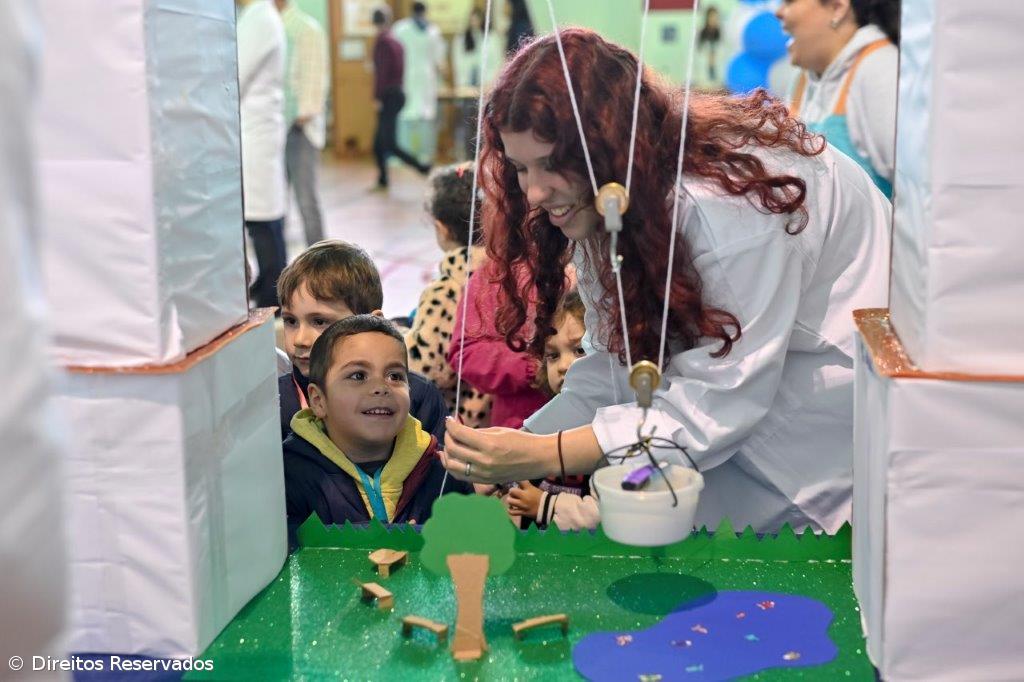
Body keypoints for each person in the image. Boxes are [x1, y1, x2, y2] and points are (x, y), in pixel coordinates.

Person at [440, 29, 892, 534]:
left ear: (612, 146)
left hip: (815, 432)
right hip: (743, 418)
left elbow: (716, 406)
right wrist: (514, 446)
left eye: (551, 165)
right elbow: (616, 361)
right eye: (520, 168)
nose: (536, 191)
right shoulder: (611, 203)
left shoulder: (725, 210)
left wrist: (542, 454)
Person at [283, 315, 472, 530]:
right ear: (318, 400)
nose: (381, 387)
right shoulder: (287, 478)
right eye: (358, 376)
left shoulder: (443, 470)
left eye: (395, 376)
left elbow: (474, 550)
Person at [277, 240, 448, 445]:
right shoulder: (275, 403)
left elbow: (442, 471)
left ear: (372, 323)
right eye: (291, 321)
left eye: (320, 322)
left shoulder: (417, 396)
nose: (300, 340)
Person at [777, 0, 900, 197]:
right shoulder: (803, 78)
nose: (779, 12)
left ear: (837, 7)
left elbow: (915, 195)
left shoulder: (880, 69)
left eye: (790, 2)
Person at [404, 163, 491, 427]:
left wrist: (401, 341)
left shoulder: (448, 290)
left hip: (459, 427)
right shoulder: (508, 274)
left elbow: (424, 368)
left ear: (441, 228)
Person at [506, 290, 598, 531]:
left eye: (579, 350)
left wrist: (545, 505)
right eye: (553, 356)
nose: (563, 366)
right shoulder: (543, 422)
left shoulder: (614, 432)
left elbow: (604, 515)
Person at [447, 258, 550, 430]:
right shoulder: (499, 271)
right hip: (521, 429)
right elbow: (465, 350)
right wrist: (531, 368)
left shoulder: (597, 260)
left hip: (595, 422)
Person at [237, 0, 288, 308]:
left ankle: (273, 288)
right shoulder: (257, 15)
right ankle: (267, 281)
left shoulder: (259, 17)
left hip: (257, 129)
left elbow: (235, 75)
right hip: (256, 128)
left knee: (262, 217)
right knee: (260, 214)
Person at [276, 0, 329, 245]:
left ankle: (320, 264)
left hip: (299, 129)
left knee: (306, 200)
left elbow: (315, 79)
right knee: (275, 200)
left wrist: (301, 117)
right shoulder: (271, 25)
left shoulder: (305, 28)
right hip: (275, 126)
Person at [371, 6, 430, 190]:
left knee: (387, 143)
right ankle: (383, 178)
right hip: (398, 92)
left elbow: (382, 72)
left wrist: (377, 95)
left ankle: (421, 167)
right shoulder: (396, 41)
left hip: (388, 95)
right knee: (380, 142)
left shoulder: (382, 42)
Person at [392, 2, 446, 166]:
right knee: (423, 118)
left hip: (410, 78)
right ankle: (424, 154)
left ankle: (405, 156)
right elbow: (440, 60)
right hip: (425, 78)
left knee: (408, 119)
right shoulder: (433, 30)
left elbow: (394, 55)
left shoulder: (400, 28)